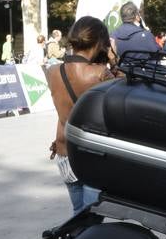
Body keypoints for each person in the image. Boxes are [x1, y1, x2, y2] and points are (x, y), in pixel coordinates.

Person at [48, 16, 116, 215]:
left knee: (79, 213)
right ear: (99, 42)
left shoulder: (53, 71)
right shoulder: (101, 73)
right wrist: (113, 60)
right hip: (91, 154)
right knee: (91, 218)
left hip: (64, 151)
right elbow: (126, 92)